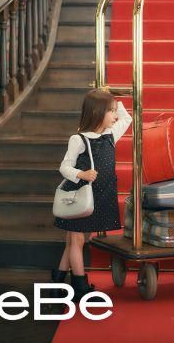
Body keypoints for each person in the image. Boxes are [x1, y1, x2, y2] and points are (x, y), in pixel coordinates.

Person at [51, 89, 132, 301]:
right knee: (77, 240)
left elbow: (127, 118)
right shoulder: (78, 139)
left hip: (98, 196)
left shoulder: (110, 135)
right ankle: (80, 288)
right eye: (110, 111)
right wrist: (82, 174)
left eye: (114, 110)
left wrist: (111, 97)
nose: (115, 116)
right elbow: (64, 167)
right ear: (97, 112)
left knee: (73, 242)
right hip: (79, 196)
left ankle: (56, 284)